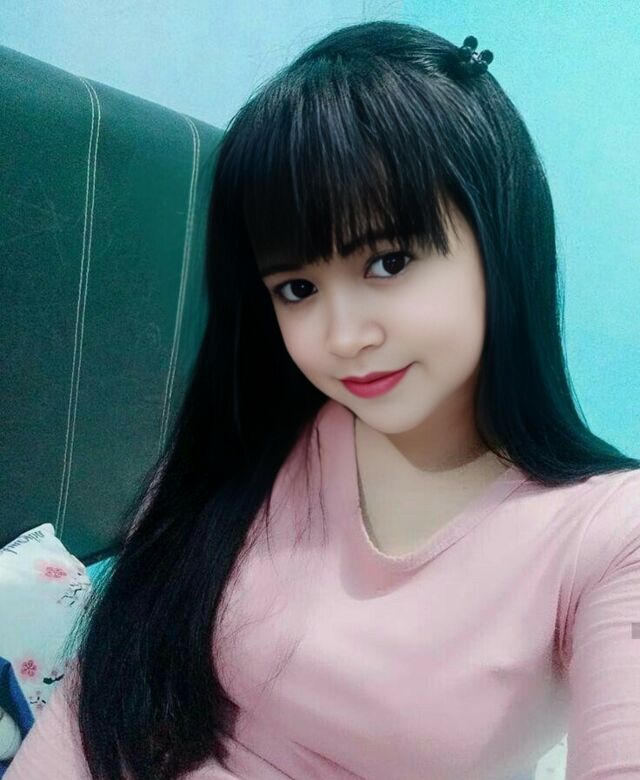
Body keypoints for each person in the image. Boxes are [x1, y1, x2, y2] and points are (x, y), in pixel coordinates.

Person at [6, 20, 640, 780]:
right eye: (298, 288)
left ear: (502, 242)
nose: (341, 337)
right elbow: (103, 688)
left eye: (388, 262)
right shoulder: (259, 437)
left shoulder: (608, 533)